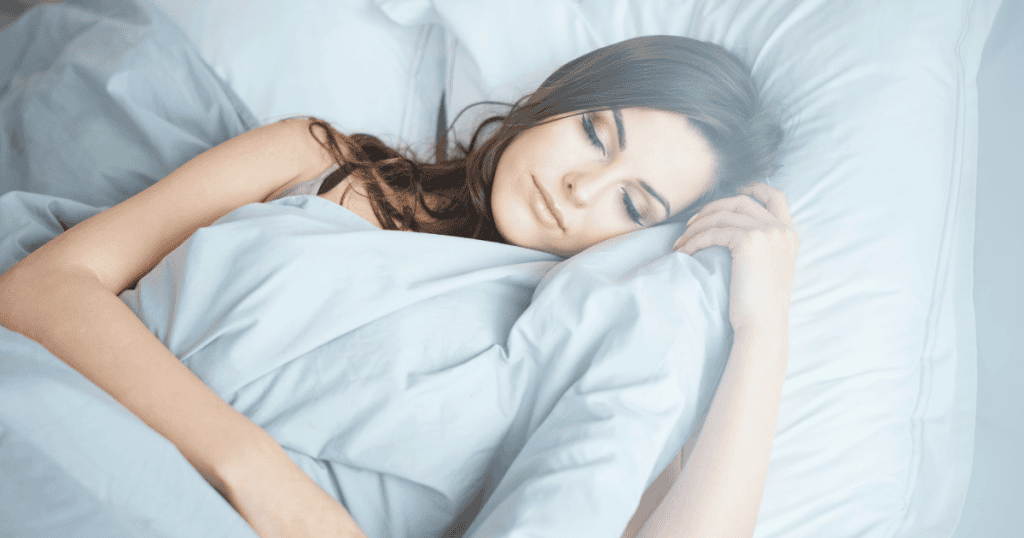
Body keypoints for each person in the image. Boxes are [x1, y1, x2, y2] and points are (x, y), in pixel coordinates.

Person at [0, 35, 799, 538]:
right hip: (60, 419)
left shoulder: (572, 349)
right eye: (596, 132)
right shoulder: (313, 156)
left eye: (634, 202)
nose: (583, 190)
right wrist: (264, 478)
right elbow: (41, 289)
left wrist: (763, 336)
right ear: (556, 99)